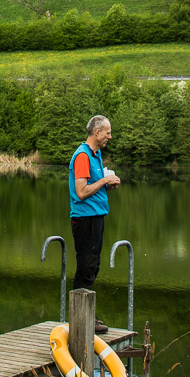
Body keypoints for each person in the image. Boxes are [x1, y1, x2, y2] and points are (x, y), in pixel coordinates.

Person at [68, 115, 121, 334]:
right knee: (86, 266)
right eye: (107, 132)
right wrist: (104, 180)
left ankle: (85, 316)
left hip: (95, 217)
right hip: (85, 218)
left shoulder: (95, 155)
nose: (110, 136)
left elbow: (92, 186)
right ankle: (80, 319)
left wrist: (106, 185)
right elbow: (81, 192)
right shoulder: (83, 156)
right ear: (97, 133)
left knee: (93, 266)